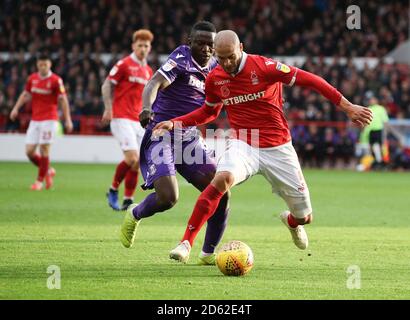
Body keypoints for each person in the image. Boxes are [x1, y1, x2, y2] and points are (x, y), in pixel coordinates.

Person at [153, 30, 373, 262]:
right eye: (221, 58)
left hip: (278, 147)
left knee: (305, 217)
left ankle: (291, 221)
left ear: (241, 48)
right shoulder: (215, 78)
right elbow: (209, 111)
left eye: (231, 57)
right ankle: (186, 243)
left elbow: (312, 81)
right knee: (221, 180)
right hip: (244, 141)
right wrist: (175, 122)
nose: (226, 63)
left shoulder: (265, 67)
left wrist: (348, 107)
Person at [119, 21, 230, 266]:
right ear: (190, 42)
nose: (206, 49)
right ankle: (135, 213)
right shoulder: (181, 58)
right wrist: (146, 108)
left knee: (220, 192)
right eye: (200, 43)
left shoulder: (216, 69)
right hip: (161, 134)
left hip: (188, 138)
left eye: (210, 45)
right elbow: (153, 83)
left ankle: (208, 253)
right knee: (168, 198)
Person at [102, 29, 154, 211]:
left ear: (150, 48)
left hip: (138, 121)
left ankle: (127, 199)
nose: (143, 48)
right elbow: (107, 84)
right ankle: (113, 189)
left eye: (146, 46)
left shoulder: (148, 71)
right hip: (121, 117)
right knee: (132, 158)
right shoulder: (124, 64)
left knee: (138, 163)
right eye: (139, 45)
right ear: (133, 46)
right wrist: (108, 108)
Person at [9, 54, 73, 191]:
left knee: (44, 149)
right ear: (37, 65)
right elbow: (26, 94)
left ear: (50, 64)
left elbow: (63, 100)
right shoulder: (32, 79)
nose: (43, 67)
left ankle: (39, 182)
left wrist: (67, 119)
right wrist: (15, 108)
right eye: (40, 65)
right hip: (35, 120)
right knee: (29, 152)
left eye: (45, 64)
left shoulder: (56, 80)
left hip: (50, 119)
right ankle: (48, 170)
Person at [366, 94, 389, 169]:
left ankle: (381, 162)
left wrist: (385, 133)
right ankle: (376, 161)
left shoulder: (381, 108)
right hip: (370, 131)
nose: (371, 101)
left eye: (373, 99)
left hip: (378, 130)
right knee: (371, 147)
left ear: (376, 100)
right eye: (370, 99)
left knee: (379, 147)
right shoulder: (368, 108)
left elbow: (385, 121)